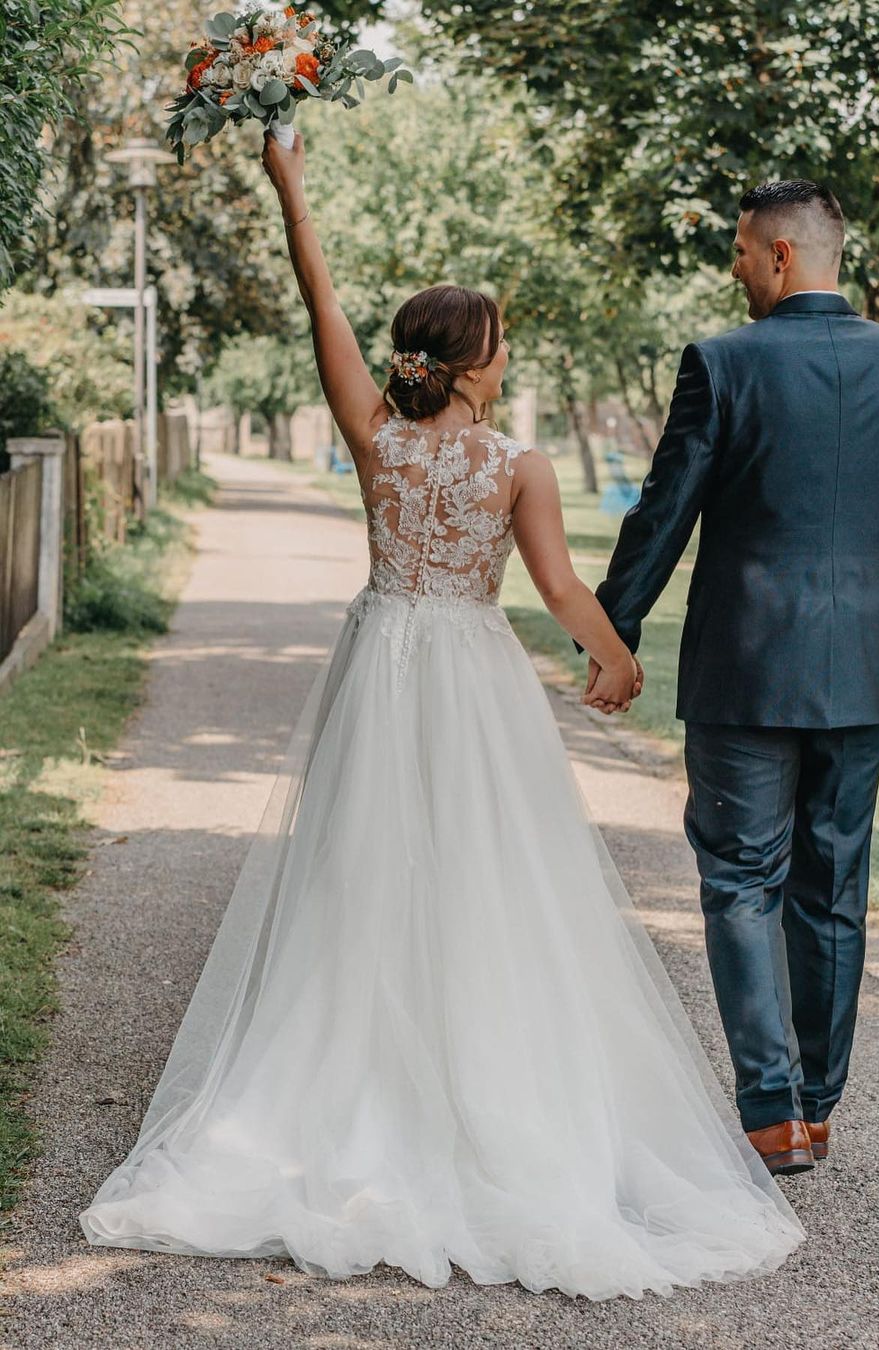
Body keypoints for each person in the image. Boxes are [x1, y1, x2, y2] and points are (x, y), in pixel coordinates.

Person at [77, 133, 804, 1299]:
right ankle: (481, 1090)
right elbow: (563, 590)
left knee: (358, 876)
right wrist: (615, 663)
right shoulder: (519, 465)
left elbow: (321, 292)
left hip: (380, 664)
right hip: (471, 678)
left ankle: (347, 1089)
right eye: (503, 343)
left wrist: (292, 183)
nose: (511, 357)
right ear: (475, 365)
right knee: (486, 879)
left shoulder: (375, 436)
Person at [588, 179, 879, 1175]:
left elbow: (663, 514)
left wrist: (610, 631)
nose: (737, 269)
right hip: (865, 671)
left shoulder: (722, 363)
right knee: (832, 886)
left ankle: (771, 1112)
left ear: (783, 256)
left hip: (745, 670)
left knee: (742, 882)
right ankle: (817, 1104)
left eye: (744, 253)